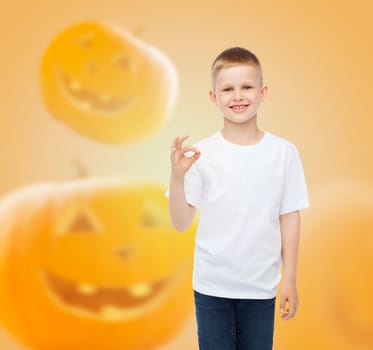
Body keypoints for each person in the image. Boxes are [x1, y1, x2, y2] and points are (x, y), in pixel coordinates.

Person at [165, 47, 309, 350]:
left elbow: (289, 217)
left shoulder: (283, 153)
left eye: (247, 87)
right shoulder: (200, 155)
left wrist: (291, 279)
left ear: (263, 92)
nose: (238, 96)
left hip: (260, 288)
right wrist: (177, 177)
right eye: (228, 89)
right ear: (213, 97)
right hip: (211, 287)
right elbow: (180, 223)